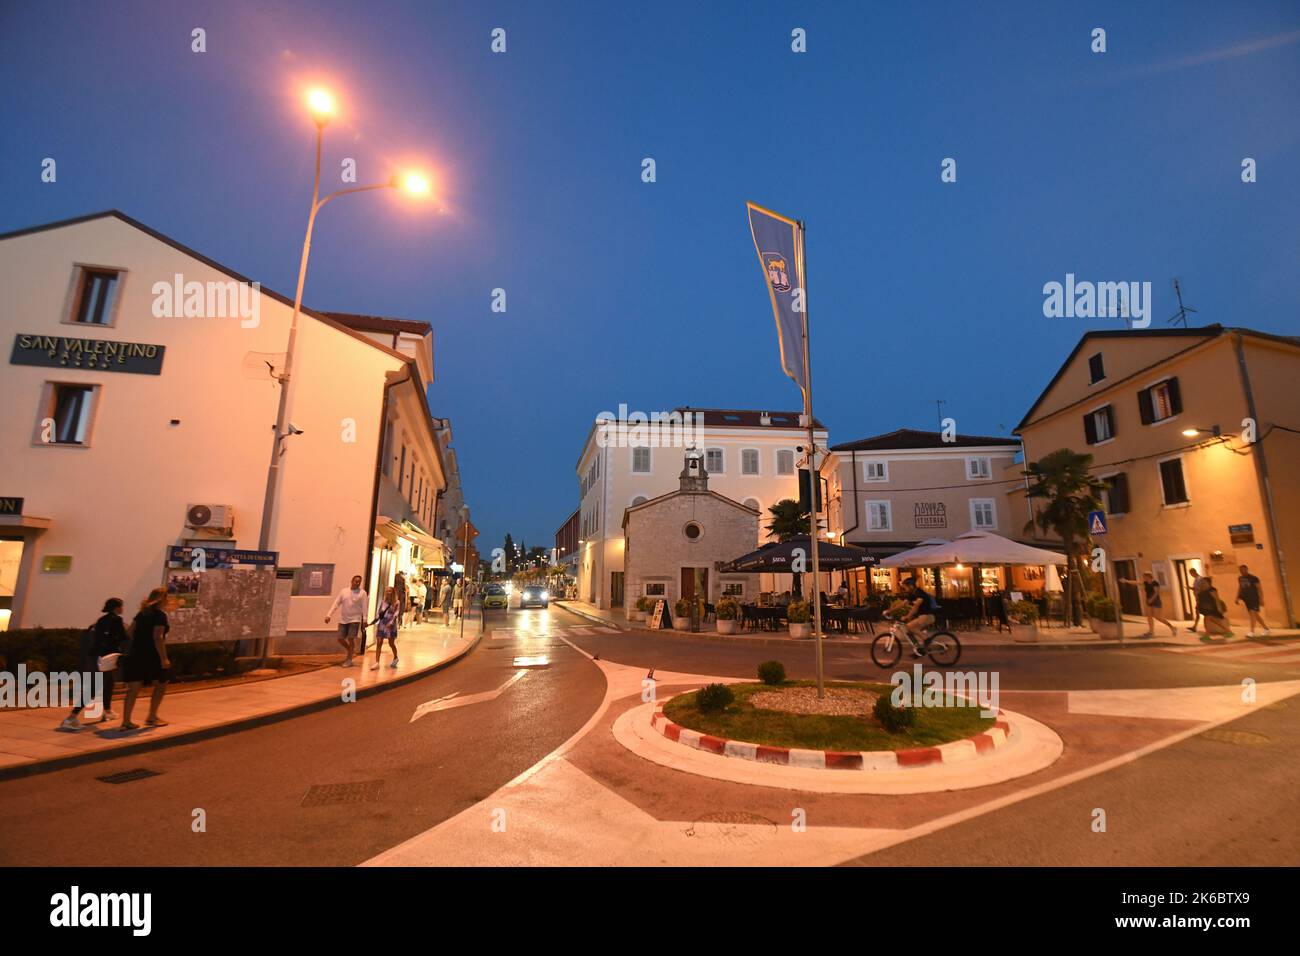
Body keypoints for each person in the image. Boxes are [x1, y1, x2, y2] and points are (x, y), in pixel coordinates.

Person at [62, 597, 129, 729]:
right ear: (116, 608)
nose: (122, 609)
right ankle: (71, 717)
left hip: (97, 656)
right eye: (121, 606)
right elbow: (123, 638)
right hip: (107, 658)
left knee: (109, 683)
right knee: (94, 687)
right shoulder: (117, 620)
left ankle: (108, 711)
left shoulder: (101, 620)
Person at [120, 588, 171, 730]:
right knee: (161, 684)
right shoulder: (160, 616)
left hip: (136, 654)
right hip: (152, 655)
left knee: (133, 689)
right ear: (163, 599)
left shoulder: (142, 614)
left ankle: (126, 721)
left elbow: (130, 632)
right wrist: (164, 658)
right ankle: (152, 716)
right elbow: (158, 637)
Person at [1118, 572, 1177, 638]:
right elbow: (1137, 583)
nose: (1144, 578)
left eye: (1145, 577)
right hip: (1149, 601)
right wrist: (1126, 581)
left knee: (1157, 617)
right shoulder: (1145, 583)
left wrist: (1151, 599)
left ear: (1148, 576)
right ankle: (1151, 632)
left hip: (1155, 601)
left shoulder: (1155, 583)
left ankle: (1172, 627)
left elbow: (1156, 592)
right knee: (1149, 617)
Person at [324, 575, 368, 666]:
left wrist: (365, 620)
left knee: (351, 638)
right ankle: (350, 650)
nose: (357, 583)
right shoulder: (344, 591)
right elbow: (336, 603)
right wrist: (329, 615)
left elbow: (364, 607)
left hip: (355, 620)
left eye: (359, 582)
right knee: (340, 638)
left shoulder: (362, 593)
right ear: (351, 581)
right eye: (356, 581)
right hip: (344, 619)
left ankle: (349, 659)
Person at [368, 586, 401, 670]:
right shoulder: (383, 602)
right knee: (379, 642)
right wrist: (373, 622)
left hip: (390, 624)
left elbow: (396, 613)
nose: (388, 592)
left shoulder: (397, 602)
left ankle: (396, 657)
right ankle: (377, 662)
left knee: (391, 643)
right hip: (382, 623)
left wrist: (391, 622)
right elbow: (379, 613)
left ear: (393, 592)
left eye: (390, 591)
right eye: (387, 591)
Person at [897, 576, 937, 644]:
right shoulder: (912, 594)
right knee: (910, 628)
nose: (904, 589)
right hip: (922, 617)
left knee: (909, 627)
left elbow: (915, 606)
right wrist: (889, 611)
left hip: (927, 616)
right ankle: (919, 648)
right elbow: (903, 604)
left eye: (905, 587)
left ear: (911, 586)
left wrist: (907, 616)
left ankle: (926, 640)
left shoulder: (919, 593)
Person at [1196, 576, 1233, 642]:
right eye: (1202, 582)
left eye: (1204, 582)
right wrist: (1198, 606)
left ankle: (1207, 635)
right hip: (1205, 608)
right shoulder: (1201, 590)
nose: (1203, 583)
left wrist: (1220, 609)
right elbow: (1199, 599)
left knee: (1207, 619)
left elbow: (1217, 600)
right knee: (1212, 619)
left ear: (1208, 583)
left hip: (1211, 608)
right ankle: (1227, 630)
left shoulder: (1212, 590)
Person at [1235, 564, 1269, 636]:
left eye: (1243, 570)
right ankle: (1266, 628)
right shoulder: (1240, 578)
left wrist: (1261, 599)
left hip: (1254, 598)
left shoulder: (1254, 578)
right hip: (1246, 599)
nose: (1242, 571)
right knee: (1255, 614)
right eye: (1240, 570)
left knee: (1252, 614)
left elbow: (1259, 588)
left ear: (1247, 569)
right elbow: (1240, 587)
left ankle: (1252, 631)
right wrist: (1237, 597)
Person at [1186, 567, 1212, 633]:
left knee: (1204, 614)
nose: (1191, 575)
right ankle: (1195, 626)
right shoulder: (1196, 579)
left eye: (1191, 573)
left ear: (1194, 572)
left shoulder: (1199, 579)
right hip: (1198, 598)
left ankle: (1206, 628)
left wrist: (1193, 590)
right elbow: (1197, 588)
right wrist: (1191, 588)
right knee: (1198, 612)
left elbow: (1200, 588)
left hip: (1200, 598)